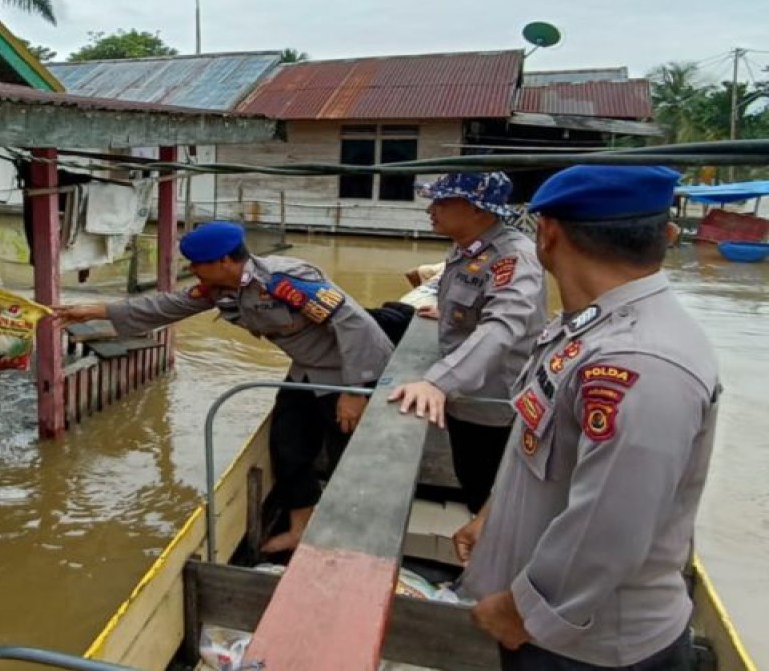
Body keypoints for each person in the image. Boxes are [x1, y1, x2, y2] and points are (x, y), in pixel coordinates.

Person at [453, 166, 719, 670]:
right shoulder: (586, 326)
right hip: (551, 627)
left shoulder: (640, 361)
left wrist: (519, 611)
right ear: (665, 235)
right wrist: (492, 517)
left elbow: (609, 526)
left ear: (547, 234)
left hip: (586, 647)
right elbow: (543, 444)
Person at [55, 221, 394, 553]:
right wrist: (94, 311)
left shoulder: (283, 281)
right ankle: (300, 529)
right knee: (287, 446)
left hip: (348, 370)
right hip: (306, 371)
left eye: (197, 263)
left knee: (348, 457)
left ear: (224, 261)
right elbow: (167, 306)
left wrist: (355, 389)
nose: (192, 269)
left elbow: (356, 324)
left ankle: (355, 545)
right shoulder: (220, 290)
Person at [389, 172, 547, 513]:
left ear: (479, 209)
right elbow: (473, 298)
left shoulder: (512, 258)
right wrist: (446, 311)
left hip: (491, 404)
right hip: (467, 396)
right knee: (472, 479)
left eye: (443, 201)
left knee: (488, 493)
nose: (431, 209)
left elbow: (503, 326)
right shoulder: (469, 247)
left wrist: (436, 382)